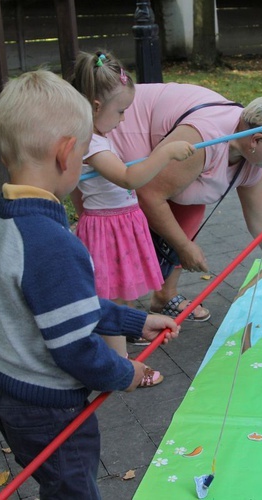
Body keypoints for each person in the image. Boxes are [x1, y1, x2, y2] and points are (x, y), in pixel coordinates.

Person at [0, 69, 180, 498]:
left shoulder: (9, 218)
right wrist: (124, 372)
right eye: (87, 148)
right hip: (49, 407)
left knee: (59, 484)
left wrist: (132, 322)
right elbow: (74, 348)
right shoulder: (52, 244)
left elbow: (63, 308)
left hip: (13, 392)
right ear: (67, 153)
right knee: (74, 490)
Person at [106, 82, 262, 321]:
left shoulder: (250, 155)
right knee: (120, 220)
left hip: (161, 149)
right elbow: (148, 194)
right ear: (256, 140)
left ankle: (163, 296)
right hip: (119, 129)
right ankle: (120, 317)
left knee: (191, 206)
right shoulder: (205, 139)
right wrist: (184, 247)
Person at [69, 50, 195, 376]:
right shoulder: (93, 145)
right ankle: (120, 366)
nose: (124, 119)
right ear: (96, 107)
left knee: (117, 295)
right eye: (120, 111)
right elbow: (129, 178)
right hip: (108, 227)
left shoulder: (96, 138)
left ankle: (118, 352)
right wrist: (165, 152)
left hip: (116, 223)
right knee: (112, 297)